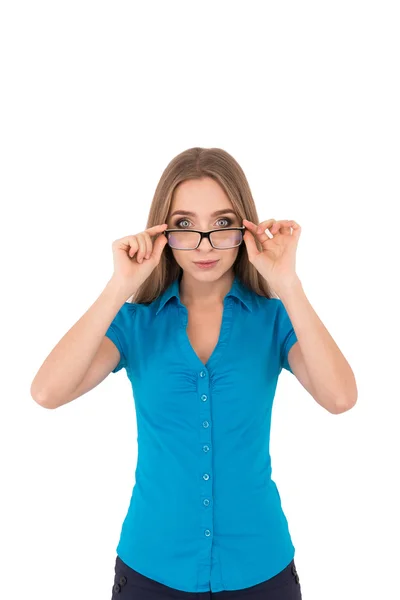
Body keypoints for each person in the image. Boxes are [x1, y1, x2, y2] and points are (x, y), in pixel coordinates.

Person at [31, 147, 357, 599]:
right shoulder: (135, 323)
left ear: (246, 229)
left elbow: (340, 398)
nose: (205, 244)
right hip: (152, 571)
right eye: (184, 225)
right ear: (162, 231)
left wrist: (287, 283)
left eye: (223, 224)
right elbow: (47, 392)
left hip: (260, 570)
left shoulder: (276, 319)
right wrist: (120, 286)